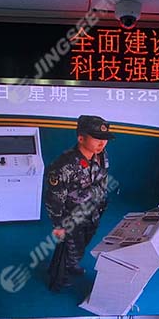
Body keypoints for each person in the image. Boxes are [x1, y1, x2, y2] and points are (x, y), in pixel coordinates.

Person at [44, 115, 115, 291]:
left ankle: (71, 265)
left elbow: (102, 180)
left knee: (80, 246)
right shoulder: (63, 166)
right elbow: (54, 199)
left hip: (92, 213)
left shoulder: (101, 155)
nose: (102, 143)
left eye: (105, 138)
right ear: (81, 138)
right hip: (71, 217)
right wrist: (59, 225)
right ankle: (57, 281)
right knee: (66, 249)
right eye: (97, 138)